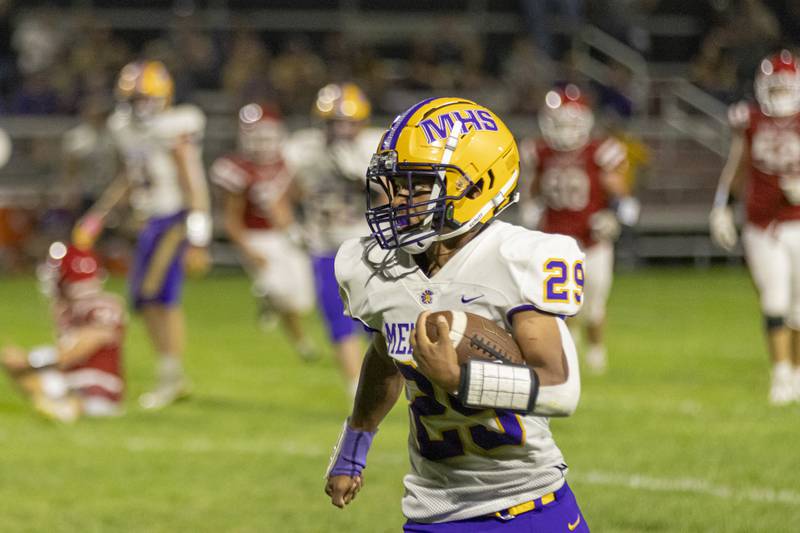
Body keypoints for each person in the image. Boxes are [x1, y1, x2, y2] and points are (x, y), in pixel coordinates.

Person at [325, 97, 589, 531]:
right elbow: (387, 352)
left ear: (478, 184)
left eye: (420, 185)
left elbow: (561, 389)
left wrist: (460, 379)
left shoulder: (517, 258)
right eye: (395, 185)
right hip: (433, 512)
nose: (399, 200)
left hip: (533, 505)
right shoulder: (381, 268)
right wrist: (354, 445)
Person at [72, 60, 212, 410]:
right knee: (145, 299)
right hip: (151, 221)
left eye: (145, 98)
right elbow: (131, 178)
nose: (139, 106)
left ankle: (171, 377)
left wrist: (198, 237)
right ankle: (171, 375)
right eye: (133, 99)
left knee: (158, 296)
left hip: (174, 218)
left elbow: (192, 184)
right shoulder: (125, 129)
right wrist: (99, 216)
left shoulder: (175, 128)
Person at [520, 84, 638, 374]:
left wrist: (613, 216)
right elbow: (532, 192)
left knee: (594, 305)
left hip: (591, 239)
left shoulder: (600, 151)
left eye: (569, 122)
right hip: (555, 239)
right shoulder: (539, 151)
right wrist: (530, 211)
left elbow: (624, 198)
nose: (563, 129)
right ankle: (568, 352)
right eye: (558, 122)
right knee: (560, 303)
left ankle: (596, 354)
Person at [710, 50, 800, 405]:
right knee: (774, 297)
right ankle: (780, 374)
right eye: (773, 88)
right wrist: (722, 206)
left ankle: (794, 370)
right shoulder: (749, 119)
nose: (778, 96)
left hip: (798, 220)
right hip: (761, 223)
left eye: (784, 88)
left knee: (798, 307)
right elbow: (739, 164)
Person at [283, 83, 383, 397]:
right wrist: (293, 229)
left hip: (367, 247)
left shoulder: (374, 146)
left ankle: (388, 381)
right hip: (325, 245)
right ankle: (356, 389)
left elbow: (389, 199)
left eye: (346, 122)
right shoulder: (306, 150)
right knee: (336, 318)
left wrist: (359, 178)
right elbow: (286, 194)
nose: (339, 129)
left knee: (377, 321)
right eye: (332, 122)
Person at [210, 103, 316, 360]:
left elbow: (297, 197)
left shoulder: (287, 162)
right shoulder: (237, 169)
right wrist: (247, 248)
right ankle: (301, 341)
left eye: (267, 135)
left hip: (285, 234)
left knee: (303, 301)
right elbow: (231, 218)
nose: (262, 142)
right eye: (256, 135)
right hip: (256, 236)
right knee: (280, 291)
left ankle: (270, 303)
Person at [1, 242, 125, 422]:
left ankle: (64, 409)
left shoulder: (102, 308)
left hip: (97, 388)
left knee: (22, 364)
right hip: (73, 380)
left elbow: (78, 350)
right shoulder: (69, 311)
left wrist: (30, 359)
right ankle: (56, 405)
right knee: (11, 360)